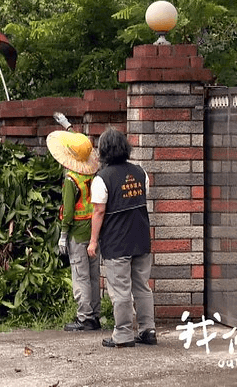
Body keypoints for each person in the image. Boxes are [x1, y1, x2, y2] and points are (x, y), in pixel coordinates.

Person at [87, 128, 156, 348]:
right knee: (142, 286)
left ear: (104, 151)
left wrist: (93, 241)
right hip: (141, 237)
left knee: (120, 290)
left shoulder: (101, 179)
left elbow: (98, 212)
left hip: (117, 242)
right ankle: (148, 330)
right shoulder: (140, 172)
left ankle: (124, 333)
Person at [46, 129, 102, 332]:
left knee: (80, 275)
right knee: (94, 275)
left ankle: (84, 318)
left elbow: (68, 211)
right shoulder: (92, 174)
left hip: (77, 233)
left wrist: (62, 235)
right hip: (94, 231)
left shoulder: (71, 181)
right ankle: (95, 316)